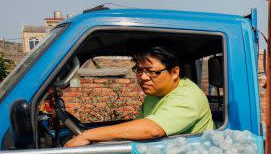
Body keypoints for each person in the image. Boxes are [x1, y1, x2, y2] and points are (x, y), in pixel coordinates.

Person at [65, 45, 214, 147]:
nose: (143, 77)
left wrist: (87, 135)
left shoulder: (188, 96)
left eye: (151, 71)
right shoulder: (155, 94)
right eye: (139, 70)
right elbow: (135, 128)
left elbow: (152, 129)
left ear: (174, 72)